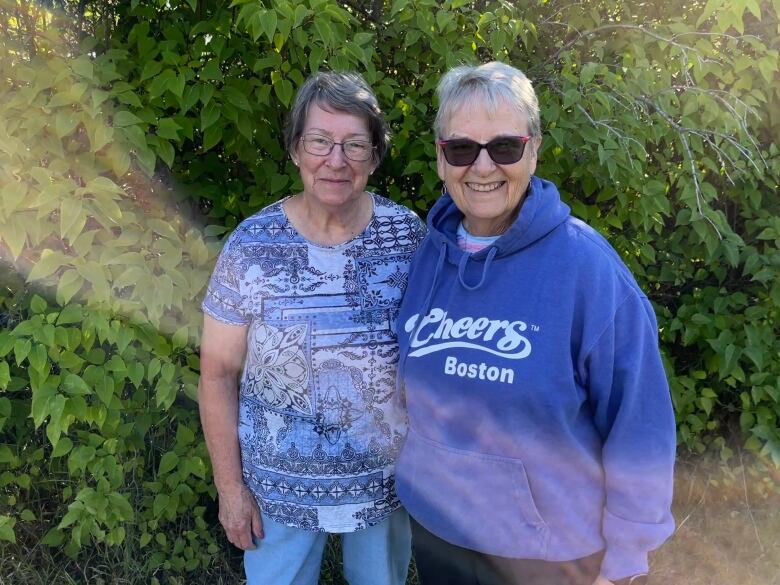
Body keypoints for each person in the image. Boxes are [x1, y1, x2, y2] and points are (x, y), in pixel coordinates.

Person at [394, 62, 676, 585]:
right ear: (440, 157)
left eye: (504, 147)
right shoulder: (429, 256)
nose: (482, 168)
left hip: (548, 554)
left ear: (534, 148)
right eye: (462, 149)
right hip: (440, 535)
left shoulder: (586, 267)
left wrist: (625, 558)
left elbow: (641, 424)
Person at [199, 71, 424, 585]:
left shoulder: (408, 238)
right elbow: (216, 375)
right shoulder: (252, 246)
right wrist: (231, 490)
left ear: (374, 155)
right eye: (320, 141)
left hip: (385, 489)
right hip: (278, 491)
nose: (336, 159)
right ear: (297, 149)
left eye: (354, 145)